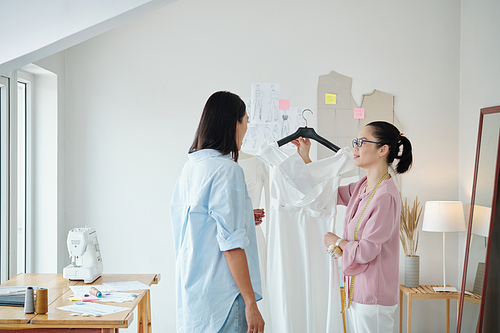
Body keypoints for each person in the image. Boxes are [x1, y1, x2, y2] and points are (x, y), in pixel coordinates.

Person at [292, 121, 413, 333]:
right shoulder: (363, 186)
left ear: (382, 150)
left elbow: (366, 251)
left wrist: (337, 241)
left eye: (361, 142)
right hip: (356, 294)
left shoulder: (385, 196)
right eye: (355, 142)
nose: (355, 147)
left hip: (373, 298)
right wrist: (307, 160)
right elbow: (328, 193)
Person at [170, 91, 265, 333]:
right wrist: (251, 302)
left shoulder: (191, 168)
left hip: (195, 297)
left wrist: (242, 215)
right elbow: (231, 244)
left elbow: (197, 223)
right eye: (246, 122)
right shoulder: (227, 170)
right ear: (235, 122)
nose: (246, 130)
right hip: (225, 297)